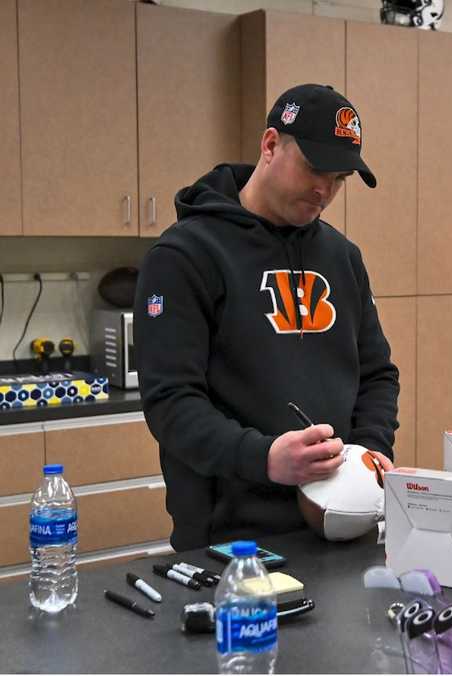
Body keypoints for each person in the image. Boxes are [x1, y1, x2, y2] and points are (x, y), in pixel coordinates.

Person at [134, 84, 400, 551]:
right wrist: (265, 458)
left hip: (341, 524)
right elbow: (171, 402)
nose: (325, 190)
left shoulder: (342, 257)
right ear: (271, 145)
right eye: (315, 168)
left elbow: (377, 374)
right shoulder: (185, 255)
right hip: (231, 541)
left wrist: (371, 449)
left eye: (340, 179)